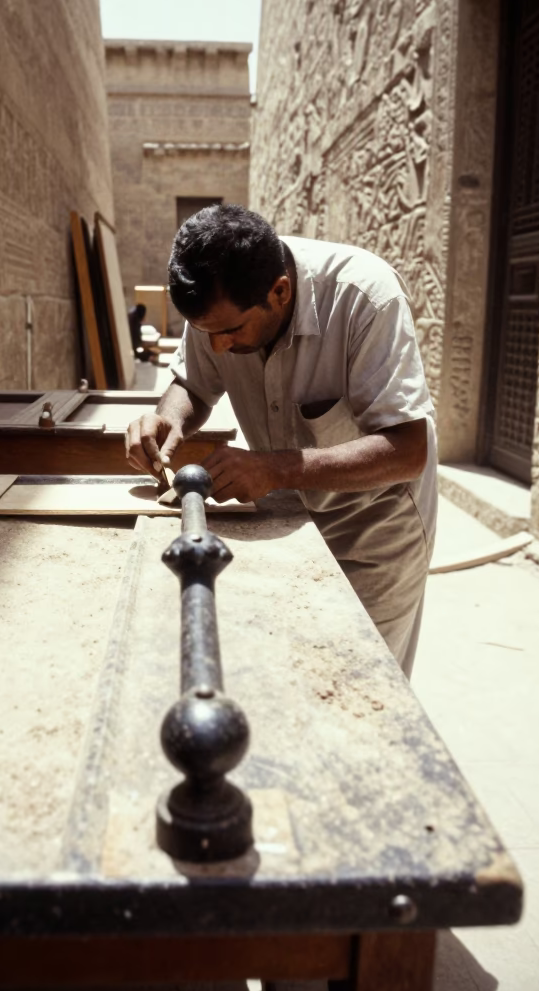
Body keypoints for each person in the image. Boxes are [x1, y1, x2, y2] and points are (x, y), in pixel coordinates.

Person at [126, 204, 437, 678]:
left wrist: (273, 470)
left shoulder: (364, 299)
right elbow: (192, 384)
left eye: (229, 331)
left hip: (376, 533)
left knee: (362, 688)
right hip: (289, 514)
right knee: (292, 672)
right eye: (207, 333)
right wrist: (167, 419)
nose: (218, 348)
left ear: (280, 291)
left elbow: (408, 450)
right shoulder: (220, 299)